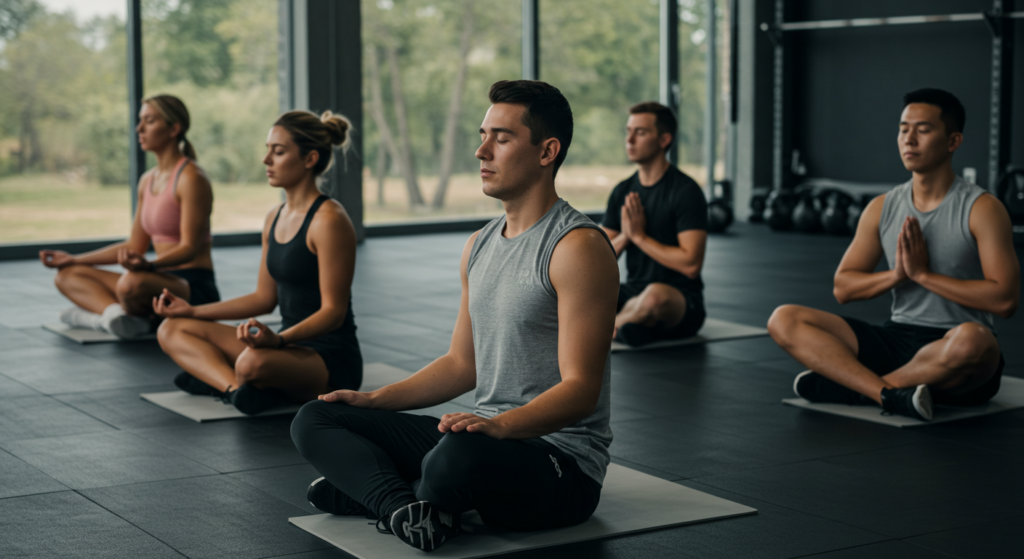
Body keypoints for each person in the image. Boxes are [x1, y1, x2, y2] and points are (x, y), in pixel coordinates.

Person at [290, 80, 619, 553]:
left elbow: (581, 391)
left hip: (559, 464)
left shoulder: (577, 247)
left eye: (501, 138)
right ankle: (404, 506)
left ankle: (379, 493)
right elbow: (462, 365)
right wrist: (376, 400)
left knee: (456, 456)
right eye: (482, 135)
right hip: (483, 437)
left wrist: (501, 427)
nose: (482, 151)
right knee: (316, 417)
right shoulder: (480, 243)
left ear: (547, 151)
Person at [768, 88, 1019, 421]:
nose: (909, 139)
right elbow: (843, 288)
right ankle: (887, 394)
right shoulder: (882, 207)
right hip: (897, 337)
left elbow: (1005, 300)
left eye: (923, 129)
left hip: (955, 348)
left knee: (976, 342)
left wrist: (924, 276)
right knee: (784, 318)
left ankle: (852, 387)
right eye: (903, 129)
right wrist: (898, 275)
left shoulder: (982, 209)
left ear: (953, 141)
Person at [153, 110, 362, 415]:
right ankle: (236, 390)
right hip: (284, 345)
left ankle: (224, 379)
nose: (266, 160)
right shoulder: (273, 218)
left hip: (329, 358)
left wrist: (277, 340)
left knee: (251, 362)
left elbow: (333, 312)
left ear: (309, 159)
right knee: (171, 329)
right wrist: (193, 311)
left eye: (278, 152)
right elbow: (263, 298)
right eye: (267, 150)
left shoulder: (329, 219)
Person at [39, 95, 219, 339]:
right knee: (68, 276)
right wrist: (73, 259)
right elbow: (134, 246)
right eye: (140, 121)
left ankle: (101, 319)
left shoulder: (191, 178)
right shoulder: (147, 180)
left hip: (192, 285)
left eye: (149, 121)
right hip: (156, 277)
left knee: (131, 284)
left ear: (174, 129)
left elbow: (189, 247)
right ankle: (116, 318)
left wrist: (150, 265)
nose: (139, 128)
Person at [599, 102, 708, 346]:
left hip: (679, 299)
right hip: (631, 293)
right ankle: (635, 325)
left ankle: (608, 328)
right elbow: (597, 258)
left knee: (654, 298)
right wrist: (626, 237)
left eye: (640, 132)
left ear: (664, 140)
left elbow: (691, 265)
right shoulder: (623, 191)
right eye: (628, 131)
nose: (630, 140)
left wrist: (640, 238)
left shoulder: (685, 191)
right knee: (577, 291)